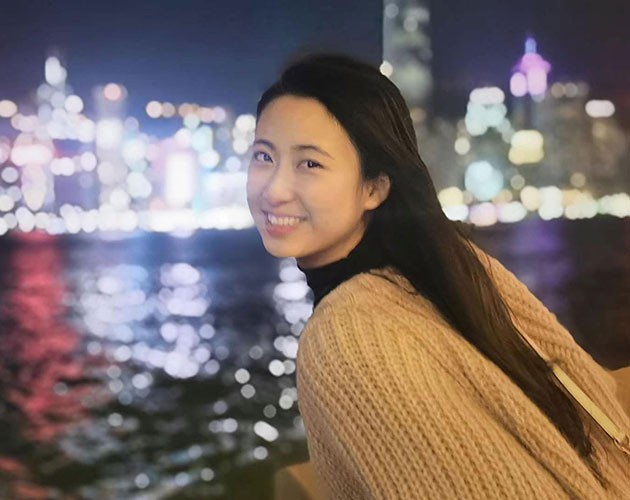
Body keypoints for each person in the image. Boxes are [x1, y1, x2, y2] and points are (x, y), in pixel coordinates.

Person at [246, 52, 630, 499]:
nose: (273, 188)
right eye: (263, 156)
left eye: (309, 163)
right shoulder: (453, 268)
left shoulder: (345, 337)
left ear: (375, 187)